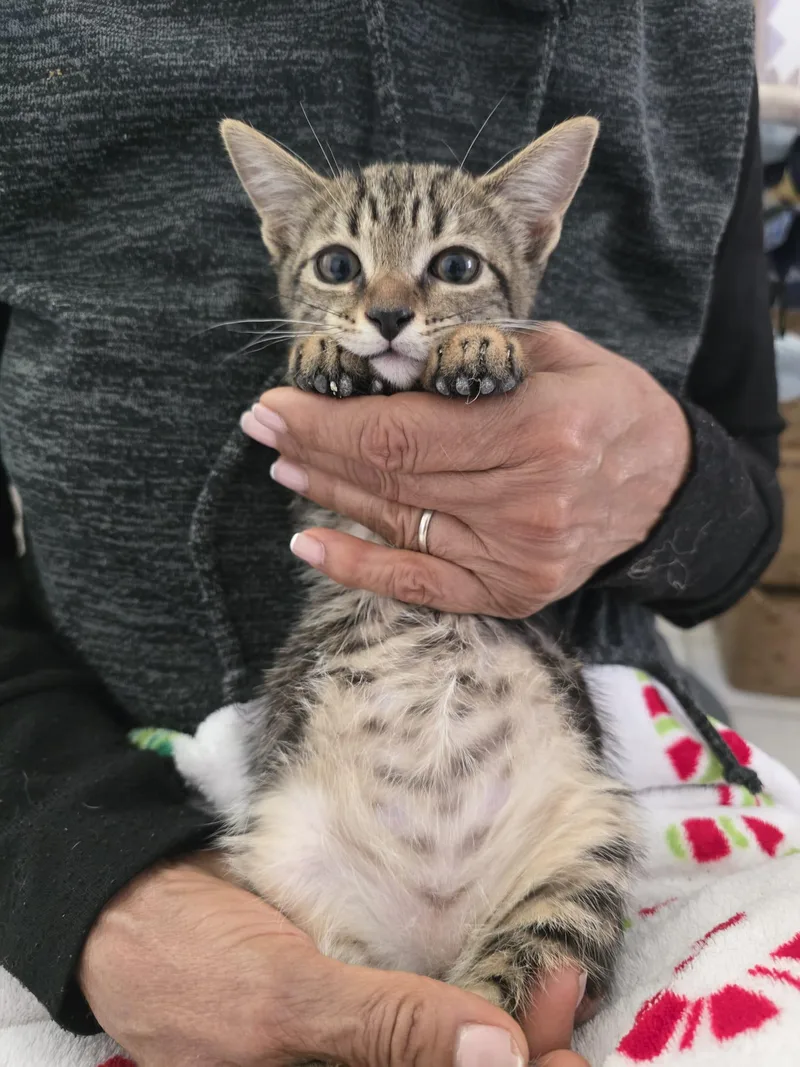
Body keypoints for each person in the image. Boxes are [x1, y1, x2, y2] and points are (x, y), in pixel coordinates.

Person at [0, 3, 782, 1065]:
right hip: (144, 835)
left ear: (532, 239)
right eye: (336, 269)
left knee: (539, 996)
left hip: (546, 789)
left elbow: (746, 486)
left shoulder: (699, 27)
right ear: (282, 244)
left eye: (452, 268)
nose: (385, 305)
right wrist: (81, 870)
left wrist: (669, 481)